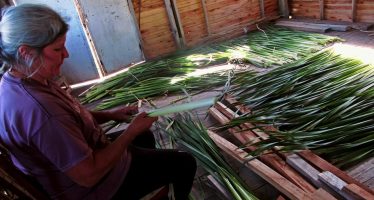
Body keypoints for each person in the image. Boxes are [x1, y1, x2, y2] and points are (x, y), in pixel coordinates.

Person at [0, 4, 196, 200]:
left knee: (144, 136)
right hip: (91, 189)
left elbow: (69, 117)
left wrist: (111, 115)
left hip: (84, 158)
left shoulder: (20, 79)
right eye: (58, 48)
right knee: (184, 163)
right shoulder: (40, 110)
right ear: (25, 52)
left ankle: (147, 184)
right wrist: (130, 133)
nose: (66, 54)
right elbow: (88, 175)